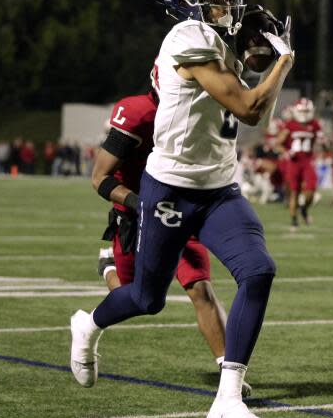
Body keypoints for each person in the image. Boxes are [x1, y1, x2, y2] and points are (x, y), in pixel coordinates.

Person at [70, 0, 294, 418]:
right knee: (146, 298)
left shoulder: (220, 35)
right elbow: (251, 109)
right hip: (171, 187)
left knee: (258, 270)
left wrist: (259, 57)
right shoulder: (186, 38)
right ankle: (88, 324)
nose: (224, 7)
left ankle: (227, 399)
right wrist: (282, 62)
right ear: (186, 4)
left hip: (218, 188)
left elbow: (255, 101)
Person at [91, 88, 250, 396]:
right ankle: (108, 265)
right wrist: (142, 203)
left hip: (178, 209)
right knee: (133, 298)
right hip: (137, 212)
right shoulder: (138, 112)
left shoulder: (197, 111)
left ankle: (228, 373)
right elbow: (100, 177)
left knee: (200, 288)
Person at [276, 97, 322, 230]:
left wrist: (323, 142)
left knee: (311, 191)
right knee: (294, 191)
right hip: (294, 162)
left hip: (308, 161)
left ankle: (303, 209)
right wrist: (286, 152)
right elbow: (278, 144)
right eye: (302, 111)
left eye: (307, 111)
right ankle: (294, 220)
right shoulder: (290, 124)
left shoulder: (314, 124)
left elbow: (321, 140)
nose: (304, 114)